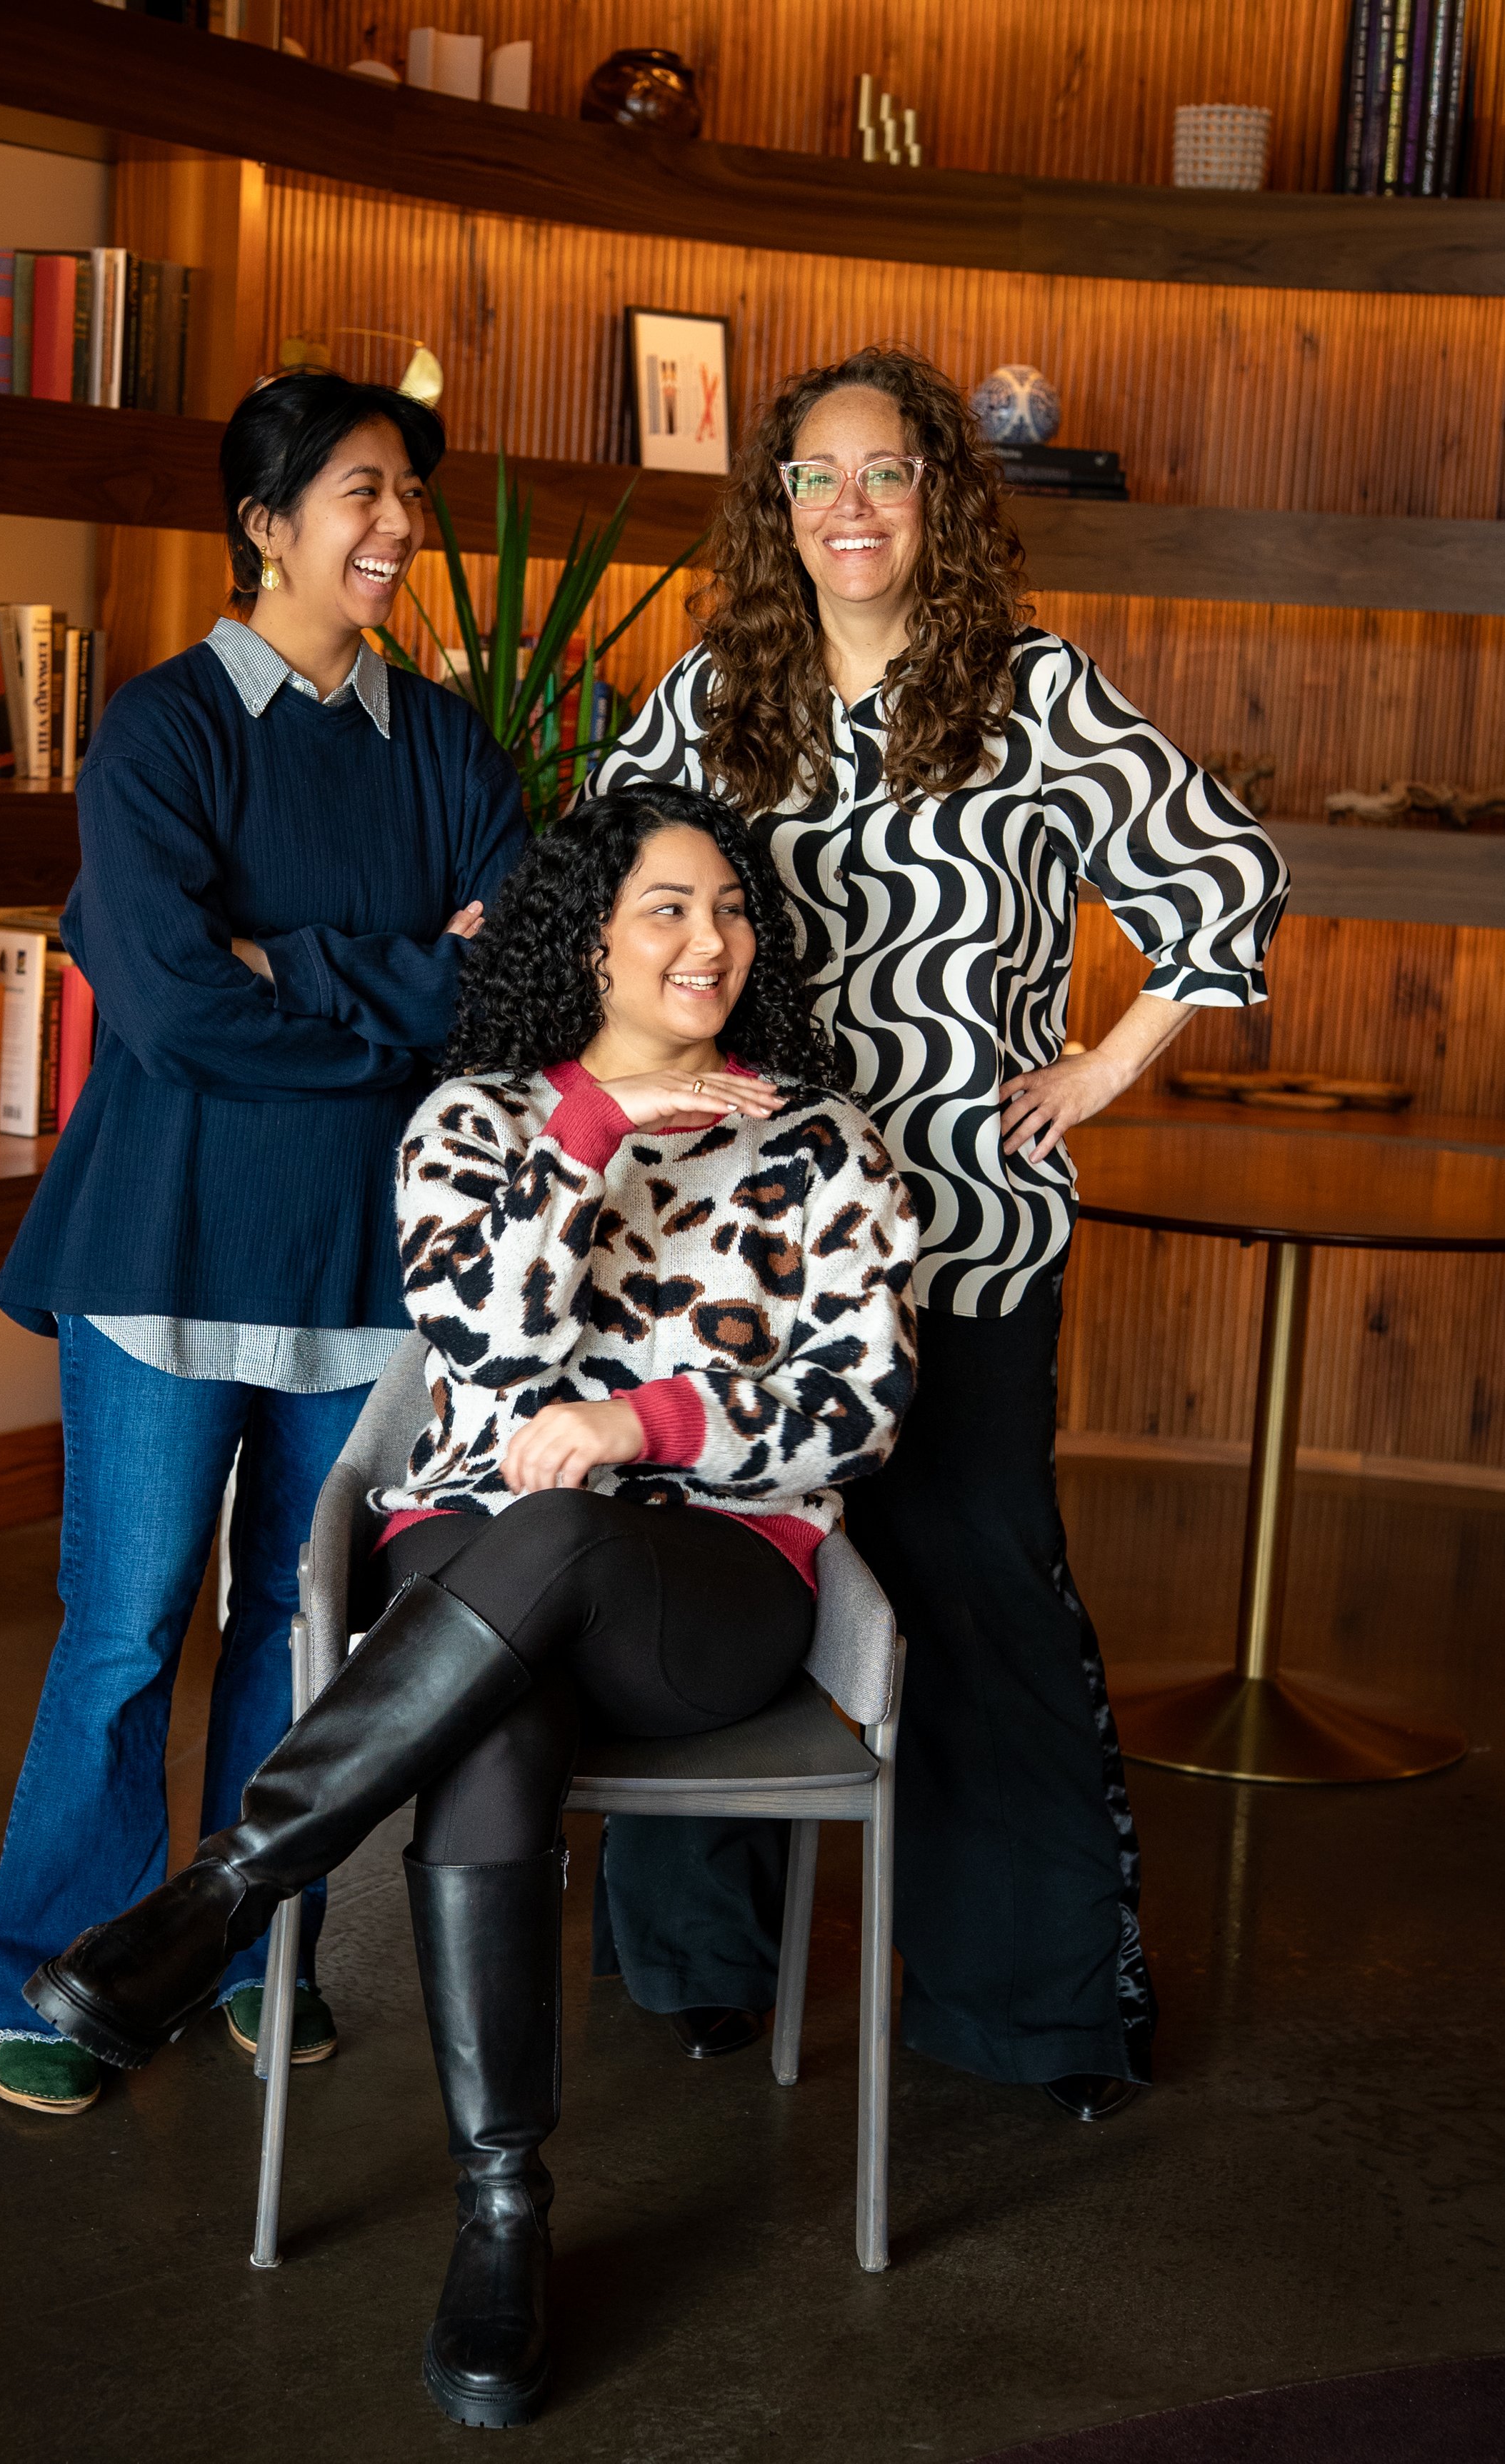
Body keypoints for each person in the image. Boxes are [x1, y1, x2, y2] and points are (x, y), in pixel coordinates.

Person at [24, 785, 920, 2425]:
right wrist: (588, 1137)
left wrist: (642, 1424)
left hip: (708, 1590)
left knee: (559, 1535)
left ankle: (231, 1883)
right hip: (478, 1573)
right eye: (665, 907)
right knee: (493, 1708)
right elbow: (491, 1363)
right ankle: (501, 2217)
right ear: (584, 940)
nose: (709, 939)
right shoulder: (473, 1121)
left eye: (728, 907)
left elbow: (855, 1405)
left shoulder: (819, 1140)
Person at [590, 345, 1289, 2118]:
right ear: (778, 507)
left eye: (884, 473)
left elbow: (1221, 873)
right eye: (815, 477)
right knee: (715, 1563)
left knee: (977, 1588)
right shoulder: (710, 694)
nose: (850, 508)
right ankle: (694, 1961)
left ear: (935, 499)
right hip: (742, 1245)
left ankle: (1031, 2006)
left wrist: (1099, 1070)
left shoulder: (1026, 688)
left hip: (965, 1233)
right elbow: (600, 895)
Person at [0, 370, 528, 2114]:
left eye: (408, 495)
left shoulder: (447, 747)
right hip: (162, 1243)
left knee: (299, 1627)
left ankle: (244, 1951)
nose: (397, 526)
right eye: (361, 491)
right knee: (127, 1626)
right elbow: (164, 1008)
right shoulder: (162, 731)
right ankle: (52, 1976)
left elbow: (510, 990)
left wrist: (285, 962)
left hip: (367, 1258)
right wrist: (393, 1000)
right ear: (265, 526)